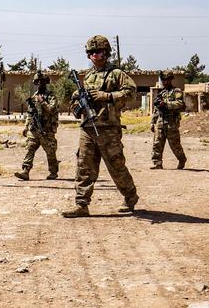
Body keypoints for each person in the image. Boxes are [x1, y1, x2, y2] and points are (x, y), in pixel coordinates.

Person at [61, 35, 139, 218]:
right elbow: (74, 101)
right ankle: (81, 204)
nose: (96, 55)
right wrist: (77, 105)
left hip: (109, 128)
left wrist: (107, 96)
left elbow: (131, 92)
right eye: (92, 52)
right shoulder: (88, 76)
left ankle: (130, 196)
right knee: (84, 167)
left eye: (99, 51)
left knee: (116, 166)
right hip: (87, 128)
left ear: (106, 53)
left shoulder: (116, 74)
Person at [14, 71, 60, 181]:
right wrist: (26, 126)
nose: (40, 84)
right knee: (30, 148)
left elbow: (52, 110)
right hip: (34, 129)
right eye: (38, 82)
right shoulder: (34, 96)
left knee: (50, 151)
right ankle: (25, 171)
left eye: (42, 82)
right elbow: (30, 113)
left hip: (47, 129)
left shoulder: (51, 96)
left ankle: (53, 172)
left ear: (46, 83)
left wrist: (43, 101)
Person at [150, 72, 187, 169]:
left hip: (171, 123)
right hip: (160, 122)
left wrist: (166, 104)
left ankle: (182, 159)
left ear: (170, 80)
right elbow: (156, 109)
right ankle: (157, 163)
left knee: (175, 145)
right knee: (157, 143)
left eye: (166, 80)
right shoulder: (161, 93)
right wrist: (152, 122)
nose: (164, 82)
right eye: (163, 80)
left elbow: (180, 103)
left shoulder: (176, 91)